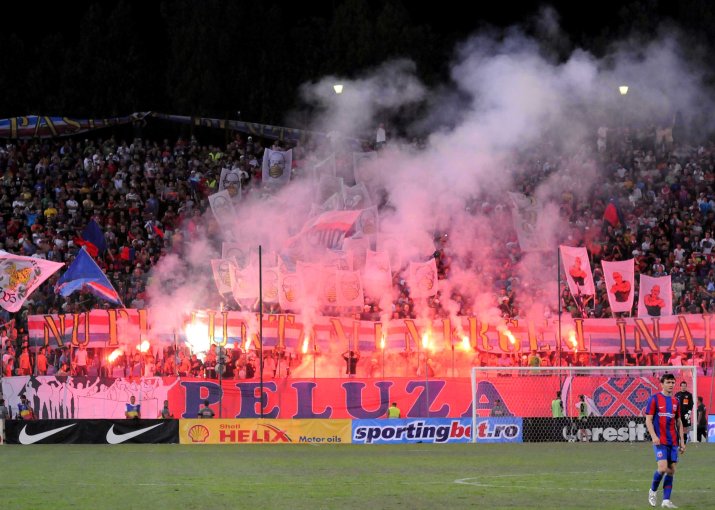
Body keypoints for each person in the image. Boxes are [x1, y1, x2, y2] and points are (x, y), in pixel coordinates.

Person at [645, 373, 685, 508]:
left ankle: (666, 501)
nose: (671, 385)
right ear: (661, 384)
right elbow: (648, 420)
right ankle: (653, 491)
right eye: (668, 382)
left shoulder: (676, 402)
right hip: (660, 441)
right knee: (662, 468)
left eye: (673, 382)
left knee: (671, 470)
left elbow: (679, 422)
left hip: (673, 441)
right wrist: (654, 436)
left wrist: (682, 441)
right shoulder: (654, 399)